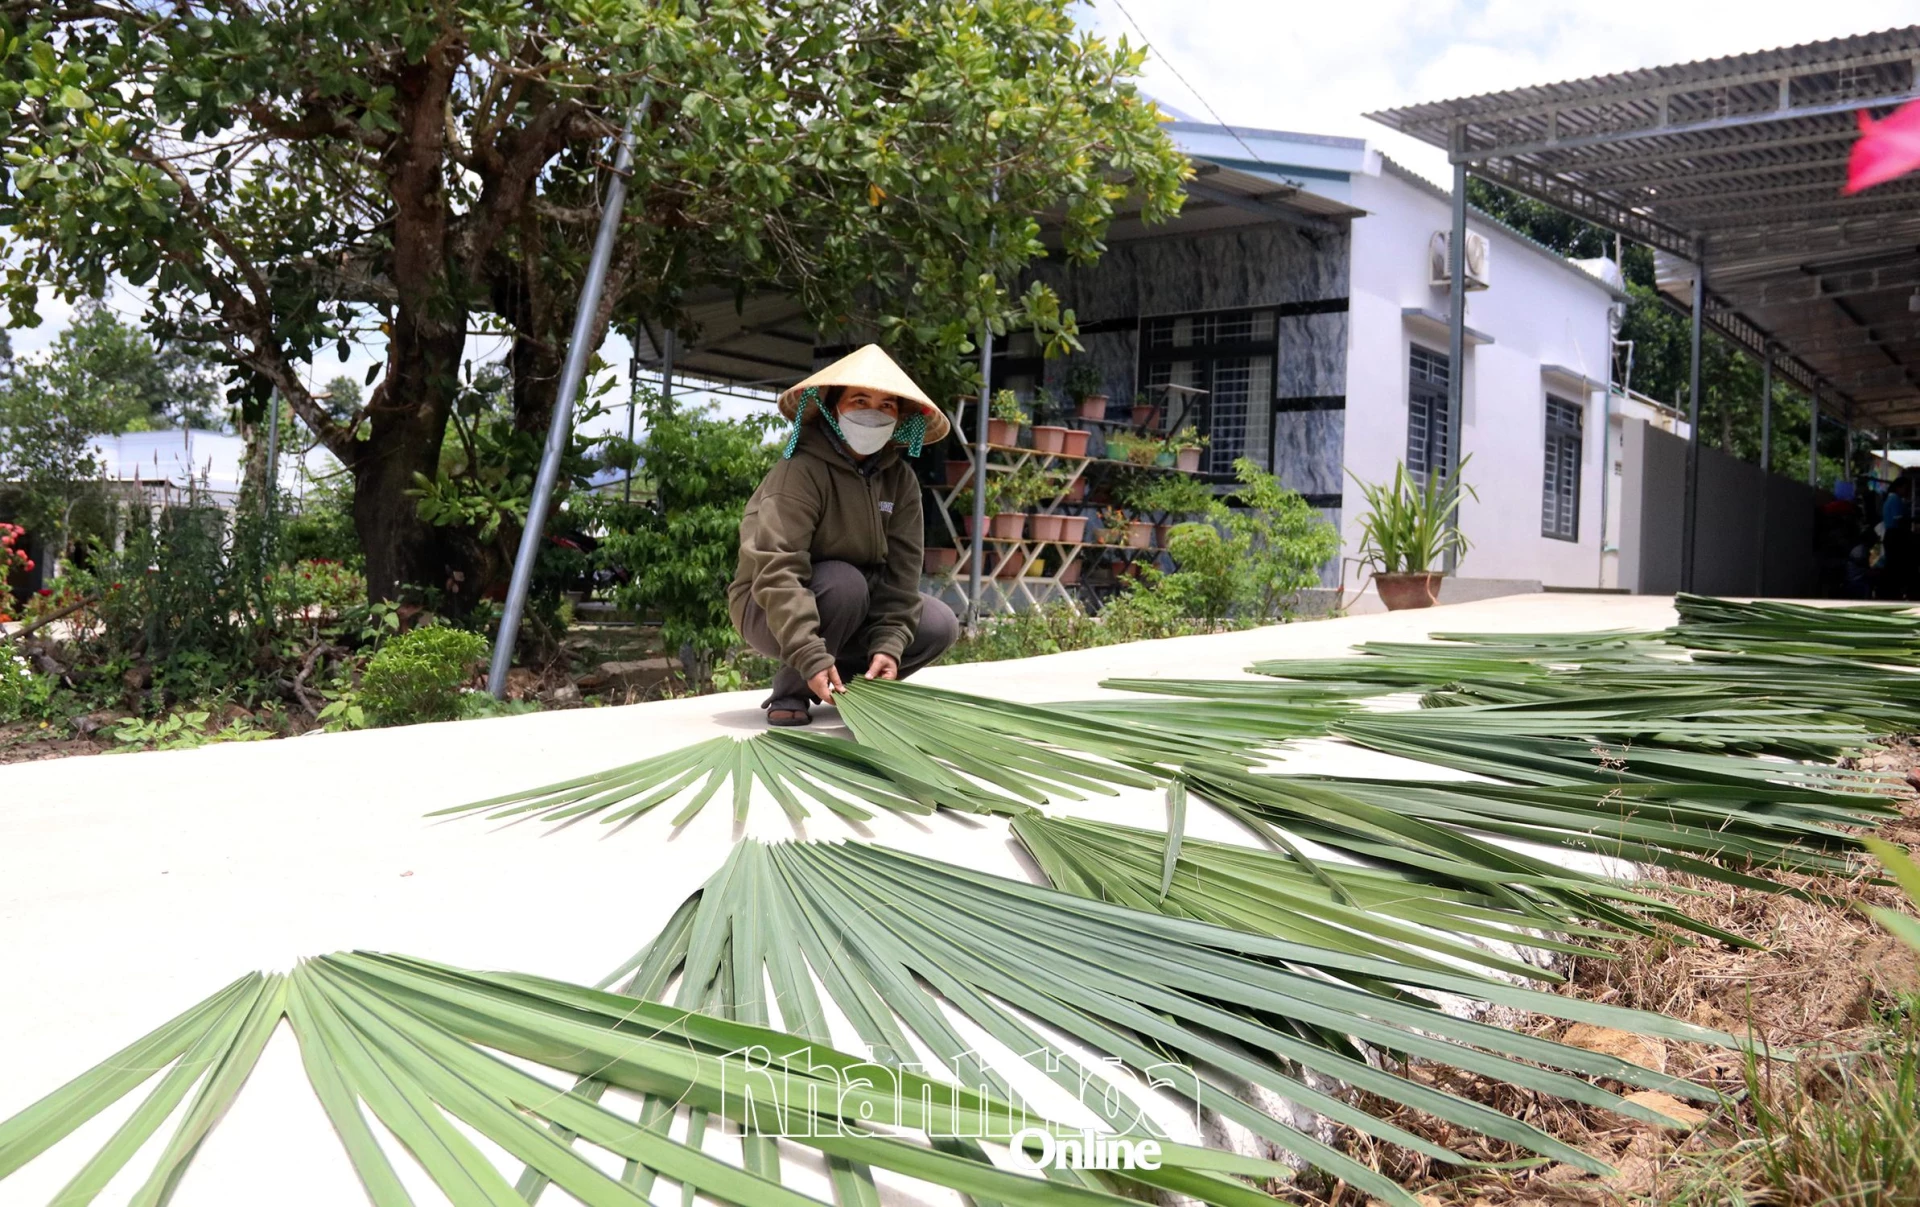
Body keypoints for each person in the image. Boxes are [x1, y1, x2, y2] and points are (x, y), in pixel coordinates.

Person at [730, 345, 960, 726]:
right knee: (844, 583)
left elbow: (902, 576)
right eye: (860, 400)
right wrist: (809, 654)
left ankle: (856, 685)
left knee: (939, 622)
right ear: (833, 408)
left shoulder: (900, 481)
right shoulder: (800, 471)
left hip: (854, 605)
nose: (874, 411)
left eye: (887, 404)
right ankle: (793, 689)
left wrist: (889, 645)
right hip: (767, 605)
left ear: (900, 417)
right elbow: (776, 568)